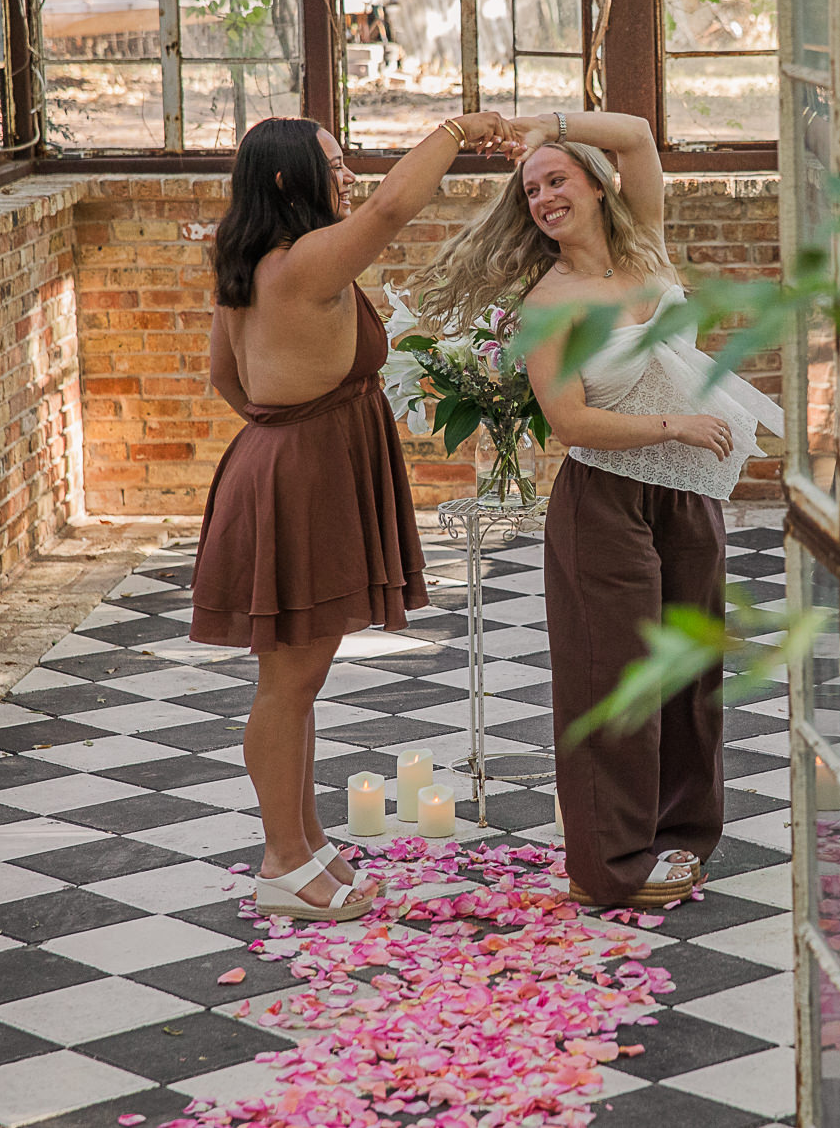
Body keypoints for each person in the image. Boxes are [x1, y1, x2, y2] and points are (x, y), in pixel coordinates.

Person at [414, 111, 781, 906]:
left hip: (688, 495)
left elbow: (642, 135)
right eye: (532, 188)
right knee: (614, 681)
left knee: (691, 672)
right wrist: (674, 423)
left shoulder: (644, 241)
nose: (545, 196)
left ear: (593, 179)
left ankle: (681, 839)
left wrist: (538, 124)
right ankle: (610, 865)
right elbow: (570, 421)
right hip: (604, 501)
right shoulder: (547, 302)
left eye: (557, 178)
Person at [192, 111, 511, 920]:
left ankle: (304, 842)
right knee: (290, 681)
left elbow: (225, 377)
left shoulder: (251, 261)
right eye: (332, 165)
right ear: (283, 180)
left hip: (287, 465)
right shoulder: (303, 261)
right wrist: (459, 127)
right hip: (303, 477)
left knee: (298, 679)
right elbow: (393, 210)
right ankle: (280, 860)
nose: (347, 177)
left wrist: (285, 425)